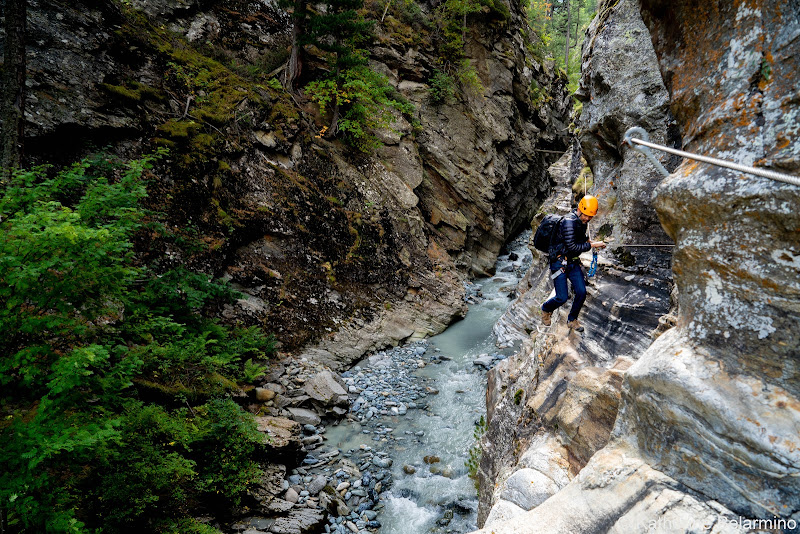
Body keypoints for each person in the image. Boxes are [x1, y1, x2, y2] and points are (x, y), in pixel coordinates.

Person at [541, 195, 606, 332]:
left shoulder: (581, 222)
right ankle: (546, 309)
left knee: (581, 292)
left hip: (572, 262)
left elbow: (580, 240)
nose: (588, 219)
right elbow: (573, 247)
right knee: (562, 297)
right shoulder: (569, 222)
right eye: (586, 215)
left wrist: (590, 242)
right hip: (559, 263)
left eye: (590, 217)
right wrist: (592, 245)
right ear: (580, 210)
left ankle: (572, 320)